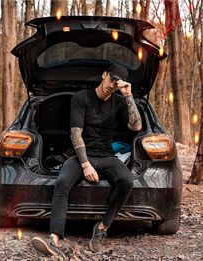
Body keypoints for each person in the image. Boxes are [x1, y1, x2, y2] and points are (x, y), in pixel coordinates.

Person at [32, 63, 142, 257]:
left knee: (127, 181)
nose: (112, 85)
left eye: (117, 84)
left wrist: (128, 95)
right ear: (104, 75)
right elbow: (76, 135)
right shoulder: (81, 98)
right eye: (111, 79)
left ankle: (101, 228)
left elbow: (136, 127)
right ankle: (54, 237)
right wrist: (85, 164)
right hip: (81, 155)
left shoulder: (119, 101)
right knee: (62, 182)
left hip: (107, 156)